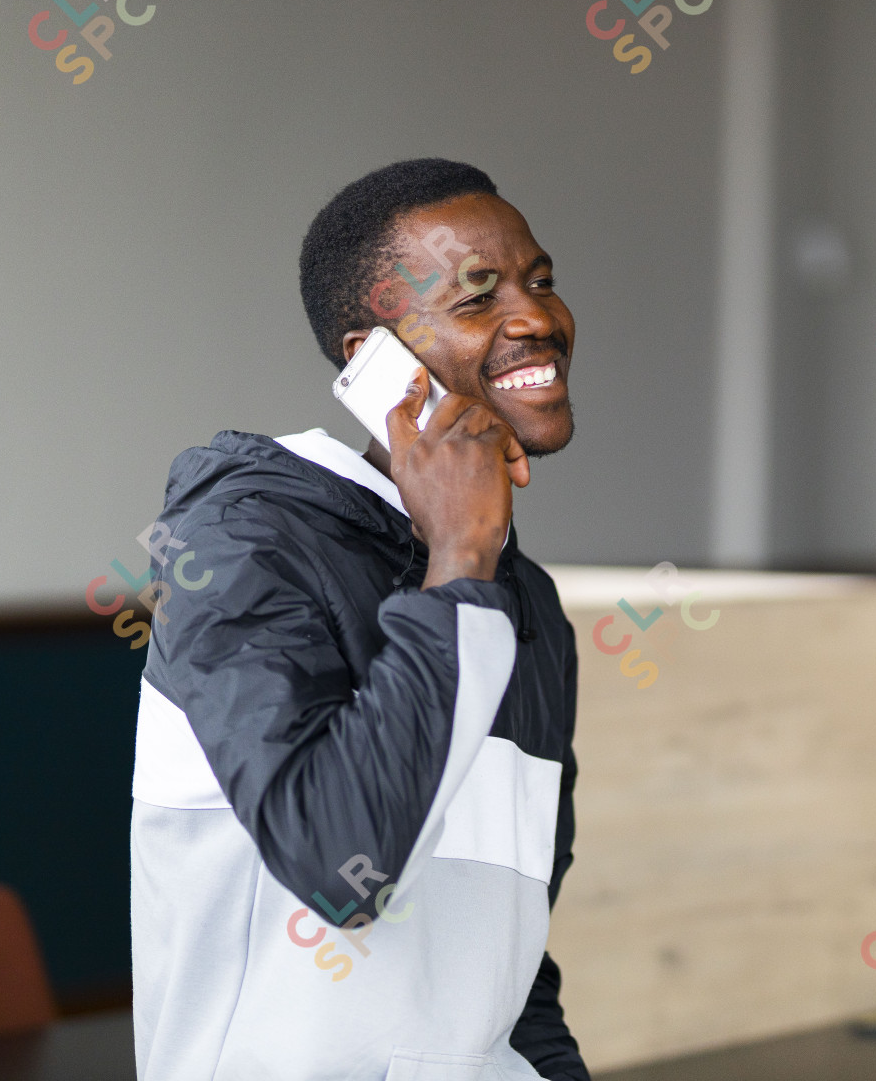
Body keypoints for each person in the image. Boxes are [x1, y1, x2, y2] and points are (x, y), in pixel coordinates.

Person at [129, 158, 587, 1081]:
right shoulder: (242, 537)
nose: (537, 316)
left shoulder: (522, 603)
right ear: (369, 360)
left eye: (539, 279)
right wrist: (459, 561)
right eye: (476, 296)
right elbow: (344, 864)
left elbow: (507, 961)